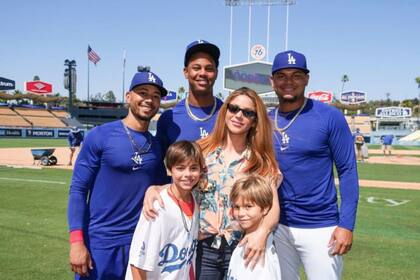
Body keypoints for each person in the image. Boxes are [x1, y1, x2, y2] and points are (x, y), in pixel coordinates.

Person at [144, 87, 281, 280]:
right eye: (233, 108)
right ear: (225, 112)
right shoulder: (202, 149)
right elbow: (182, 181)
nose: (238, 115)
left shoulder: (261, 162)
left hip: (243, 245)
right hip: (203, 247)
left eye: (247, 112)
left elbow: (273, 208)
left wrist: (262, 234)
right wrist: (156, 188)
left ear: (254, 121)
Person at [67, 70, 168, 280]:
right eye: (143, 92)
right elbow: (78, 189)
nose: (149, 100)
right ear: (128, 96)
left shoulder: (156, 146)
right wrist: (77, 241)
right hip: (101, 243)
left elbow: (162, 187)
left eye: (156, 96)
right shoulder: (100, 135)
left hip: (140, 242)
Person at [268, 50, 359, 279]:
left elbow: (347, 170)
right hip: (276, 226)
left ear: (307, 79)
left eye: (296, 75)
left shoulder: (328, 116)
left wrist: (346, 224)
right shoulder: (265, 119)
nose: (289, 82)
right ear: (272, 81)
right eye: (282, 76)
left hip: (321, 227)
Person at [126, 141, 205, 280]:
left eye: (193, 168)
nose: (188, 174)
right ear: (169, 170)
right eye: (180, 168)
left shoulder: (194, 199)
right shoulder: (157, 207)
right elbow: (137, 263)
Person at [156, 40, 223, 154]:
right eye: (196, 68)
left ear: (216, 73)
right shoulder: (169, 118)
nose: (203, 73)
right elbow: (157, 167)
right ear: (186, 72)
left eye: (209, 69)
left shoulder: (229, 115)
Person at [227, 175, 281, 280]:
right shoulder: (245, 242)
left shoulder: (258, 254)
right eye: (237, 207)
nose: (241, 213)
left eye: (248, 207)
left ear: (265, 209)